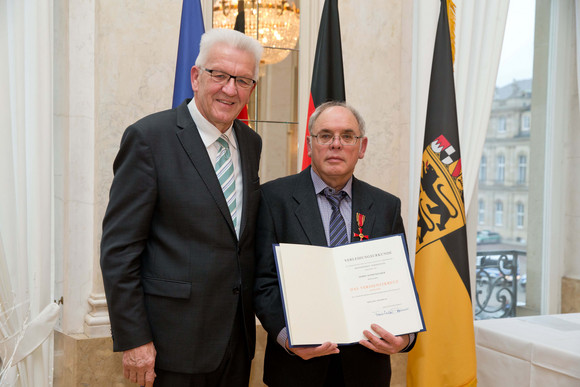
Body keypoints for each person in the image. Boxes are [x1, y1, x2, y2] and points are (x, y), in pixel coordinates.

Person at [100, 28, 263, 387]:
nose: (230, 89)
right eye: (219, 75)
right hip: (171, 346)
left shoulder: (251, 143)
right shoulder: (148, 139)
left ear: (252, 87)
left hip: (236, 342)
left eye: (243, 80)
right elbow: (119, 250)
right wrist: (134, 339)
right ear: (195, 77)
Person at [254, 101, 417, 386]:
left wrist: (405, 336)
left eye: (347, 136)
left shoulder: (386, 206)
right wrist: (287, 337)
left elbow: (398, 283)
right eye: (325, 135)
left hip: (366, 370)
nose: (336, 144)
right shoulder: (272, 198)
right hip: (296, 370)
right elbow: (263, 281)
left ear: (362, 147)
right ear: (309, 144)